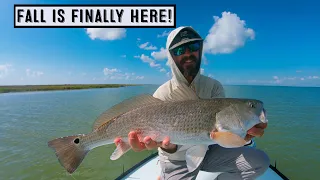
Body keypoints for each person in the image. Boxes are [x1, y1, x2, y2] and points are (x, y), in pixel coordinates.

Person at [114, 26, 269, 180]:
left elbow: (222, 134)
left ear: (200, 50)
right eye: (180, 50)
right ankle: (164, 174)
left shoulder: (214, 87)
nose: (187, 53)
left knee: (260, 161)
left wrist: (243, 135)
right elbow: (163, 144)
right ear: (171, 57)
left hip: (209, 151)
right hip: (176, 159)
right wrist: (168, 147)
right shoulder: (161, 95)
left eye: (193, 47)